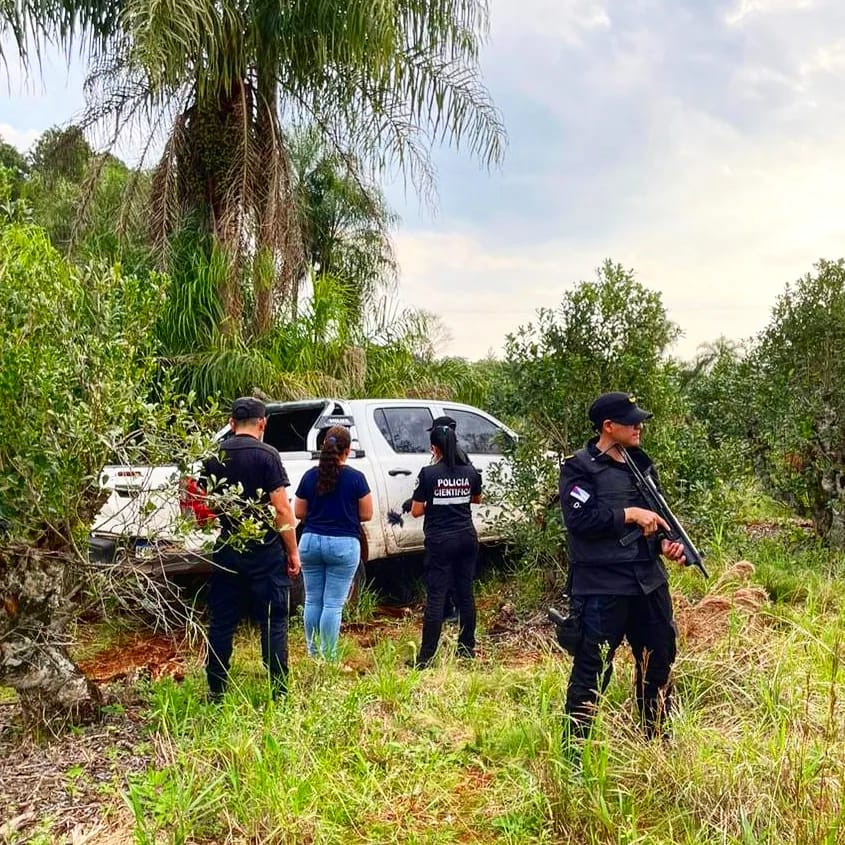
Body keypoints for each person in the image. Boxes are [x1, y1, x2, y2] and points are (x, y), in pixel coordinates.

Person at [559, 392, 686, 742]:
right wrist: (629, 514)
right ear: (608, 426)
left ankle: (656, 742)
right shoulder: (579, 467)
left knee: (658, 662)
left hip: (648, 582)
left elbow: (658, 518)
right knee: (593, 668)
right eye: (631, 422)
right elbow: (580, 520)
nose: (638, 427)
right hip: (602, 586)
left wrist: (665, 544)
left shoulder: (640, 464)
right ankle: (575, 752)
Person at [202, 397, 301, 701]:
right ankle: (279, 692)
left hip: (228, 548)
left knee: (222, 622)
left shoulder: (213, 456)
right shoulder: (268, 455)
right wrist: (293, 552)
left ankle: (216, 689)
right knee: (273, 621)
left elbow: (206, 506)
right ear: (262, 423)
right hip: (265, 552)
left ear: (231, 423)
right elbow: (281, 509)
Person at [294, 425, 373, 660]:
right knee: (332, 604)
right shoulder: (356, 478)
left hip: (310, 542)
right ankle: (329, 657)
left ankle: (313, 653)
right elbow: (367, 513)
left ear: (323, 447)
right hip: (343, 545)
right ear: (347, 450)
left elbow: (299, 512)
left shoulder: (310, 476)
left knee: (312, 600)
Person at [408, 423, 482, 667]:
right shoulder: (470, 471)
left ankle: (426, 658)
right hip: (466, 538)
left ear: (434, 448)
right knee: (465, 593)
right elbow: (476, 499)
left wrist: (435, 502)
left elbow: (416, 511)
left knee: (437, 597)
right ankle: (466, 648)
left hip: (440, 541)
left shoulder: (428, 474)